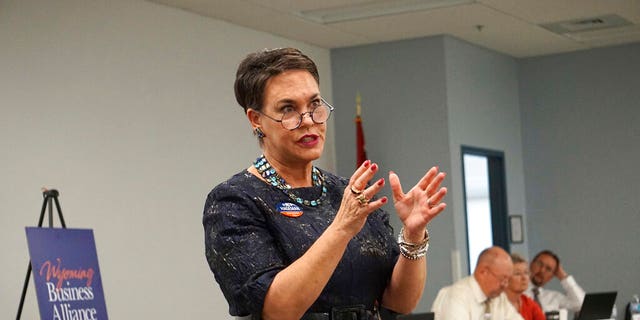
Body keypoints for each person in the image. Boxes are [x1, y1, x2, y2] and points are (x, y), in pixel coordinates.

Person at [202, 47, 448, 320]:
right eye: (288, 109)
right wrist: (341, 229)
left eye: (314, 105)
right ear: (256, 119)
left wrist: (413, 237)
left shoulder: (348, 193)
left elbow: (400, 302)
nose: (308, 121)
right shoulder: (234, 201)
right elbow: (277, 308)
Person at [432, 246, 523, 320]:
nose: (505, 285)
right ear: (483, 272)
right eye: (502, 279)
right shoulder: (457, 296)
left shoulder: (499, 297)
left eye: (508, 280)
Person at [505, 253, 545, 320]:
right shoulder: (496, 303)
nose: (524, 278)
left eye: (526, 273)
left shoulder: (529, 303)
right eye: (517, 274)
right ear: (505, 278)